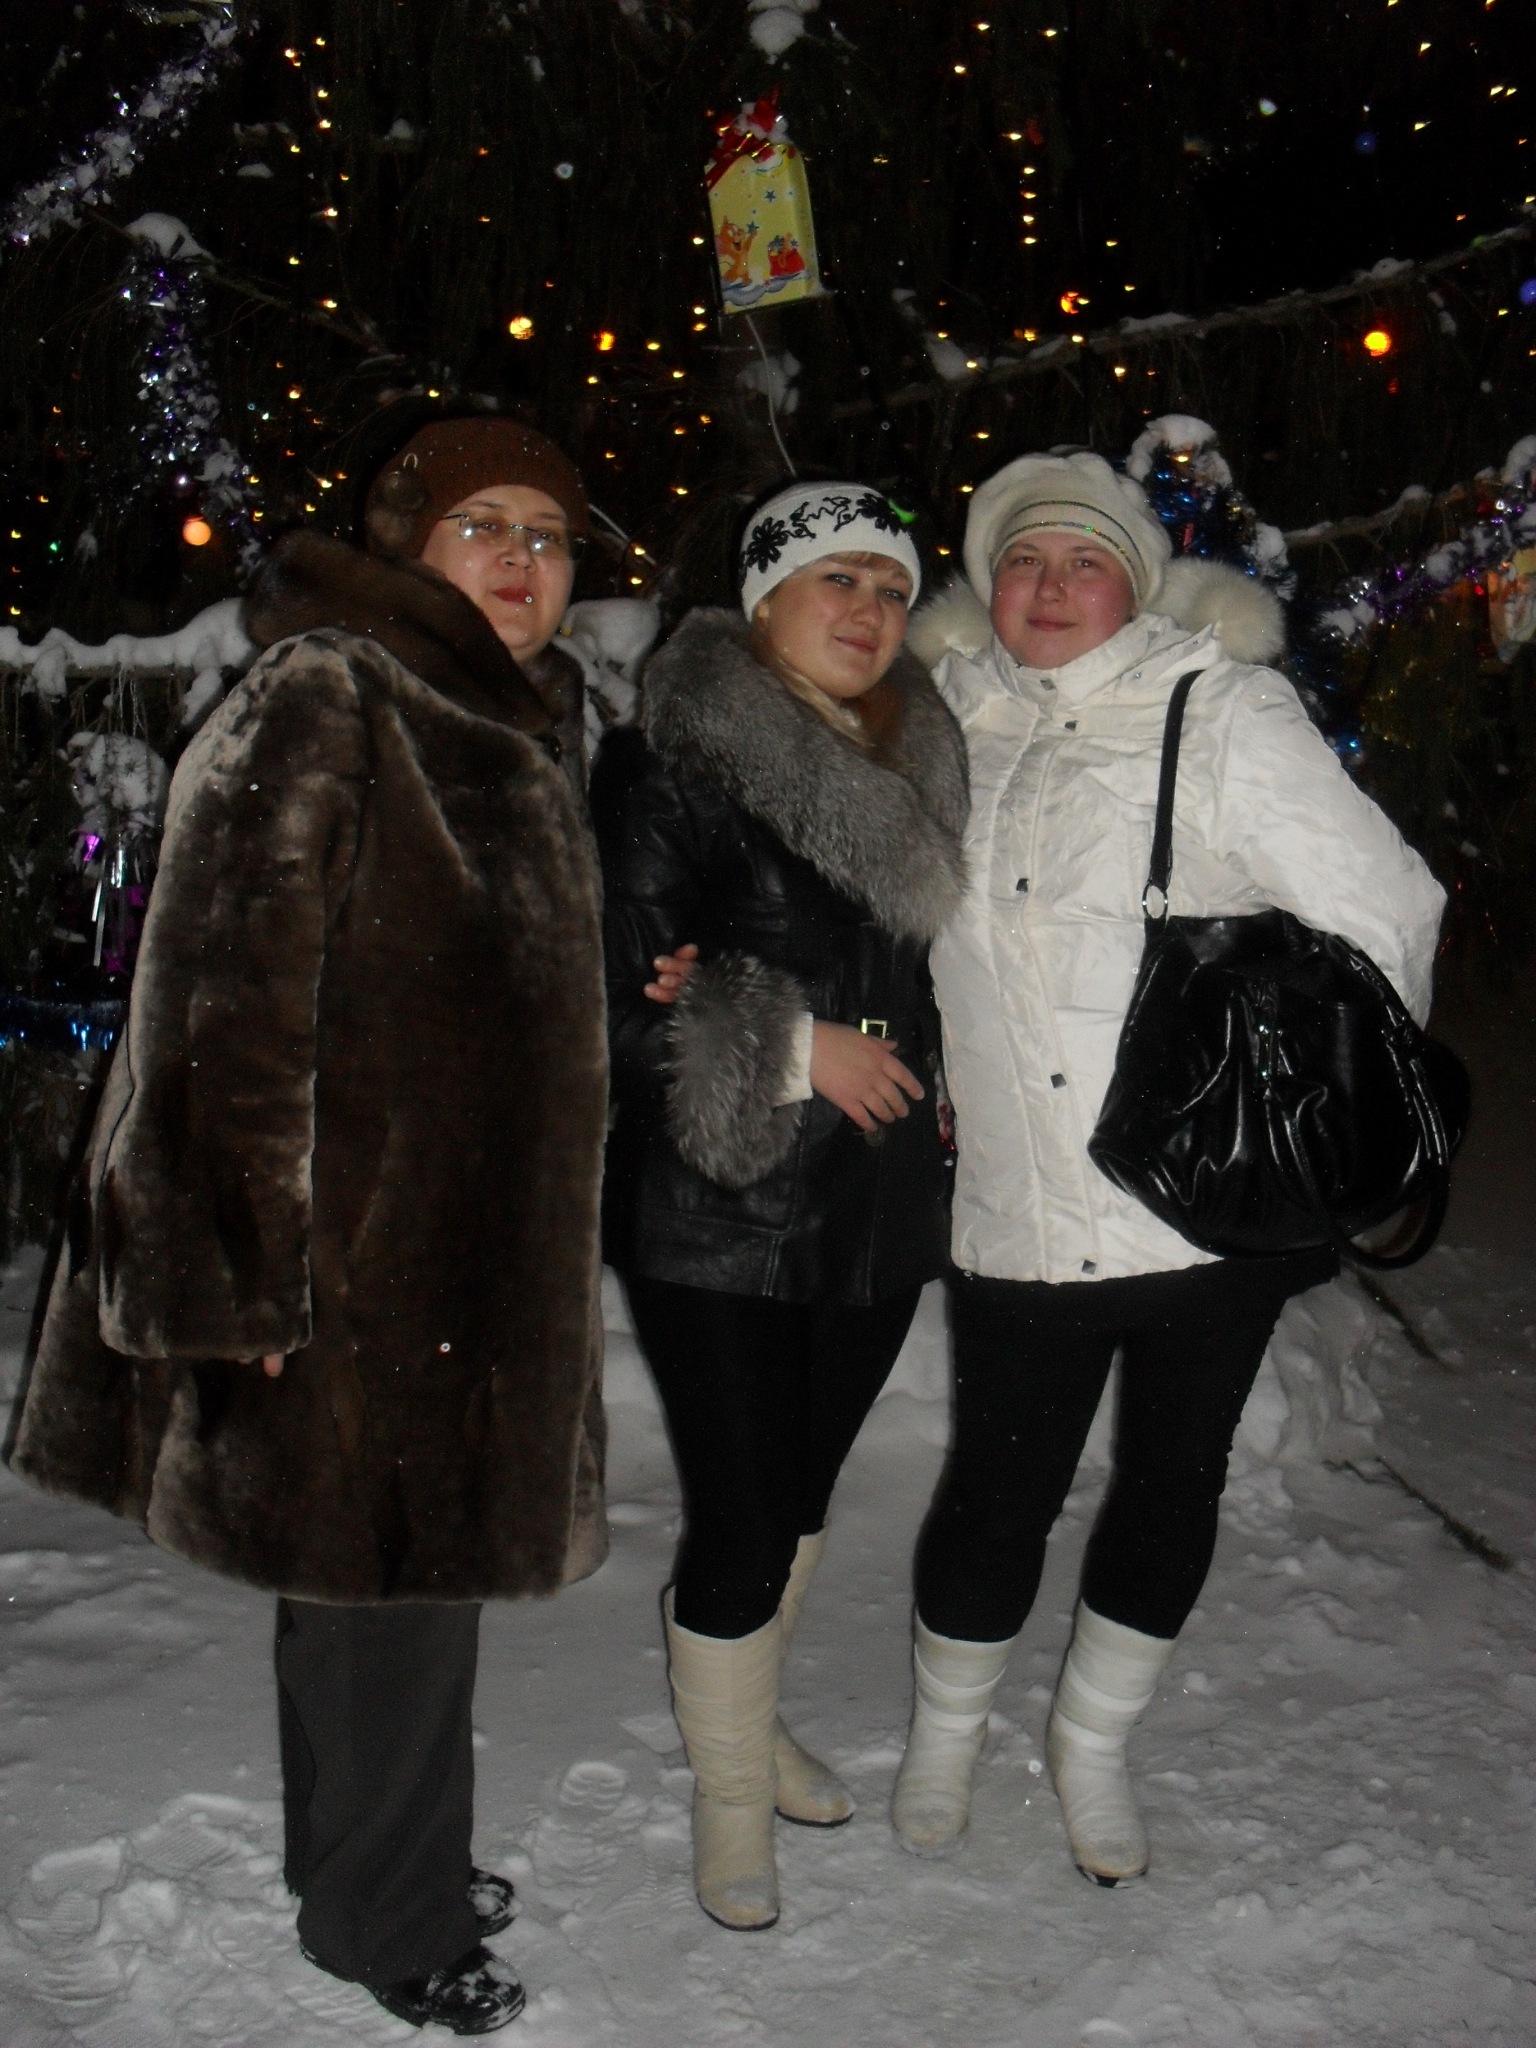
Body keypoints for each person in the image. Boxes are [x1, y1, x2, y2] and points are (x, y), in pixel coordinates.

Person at [8, 417, 610, 2033]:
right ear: (406, 538)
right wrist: (237, 1278)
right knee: (389, 1595)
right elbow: (216, 1002)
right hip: (351, 1254)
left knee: (372, 1591)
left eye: (548, 536)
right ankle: (388, 1921)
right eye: (482, 523)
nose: (520, 559)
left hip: (465, 1261)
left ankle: (362, 1861)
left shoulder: (514, 718)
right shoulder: (330, 693)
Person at [893, 450, 1446, 1885]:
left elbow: (1386, 907)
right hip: (1020, 1204)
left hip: (1208, 1209)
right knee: (997, 1491)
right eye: (1024, 559)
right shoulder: (931, 722)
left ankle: (1092, 1746)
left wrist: (1335, 1105)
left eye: (1087, 560)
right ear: (986, 583)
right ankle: (946, 1740)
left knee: (1169, 1483)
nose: (1052, 584)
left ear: (1135, 584)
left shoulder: (1221, 709)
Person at [593, 482, 967, 1930]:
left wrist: (950, 1076)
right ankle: (729, 1799)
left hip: (877, 1197)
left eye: (892, 587)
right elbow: (610, 1005)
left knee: (801, 1500)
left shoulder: (922, 753)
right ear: (764, 603)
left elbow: (933, 970)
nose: (870, 611)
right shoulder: (674, 764)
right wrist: (799, 1047)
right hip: (722, 1198)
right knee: (745, 1522)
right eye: (837, 582)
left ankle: (745, 1729)